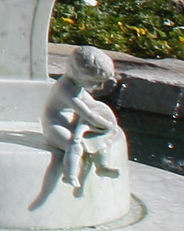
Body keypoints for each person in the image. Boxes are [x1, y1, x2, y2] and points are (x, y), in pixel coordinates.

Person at [44, 45, 126, 196]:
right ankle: (69, 175)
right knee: (74, 144)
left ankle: (102, 166)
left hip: (71, 120)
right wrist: (106, 124)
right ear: (77, 74)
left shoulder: (77, 85)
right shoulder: (65, 88)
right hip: (54, 123)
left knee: (99, 140)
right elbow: (87, 113)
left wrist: (103, 123)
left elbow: (92, 105)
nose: (100, 87)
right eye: (96, 82)